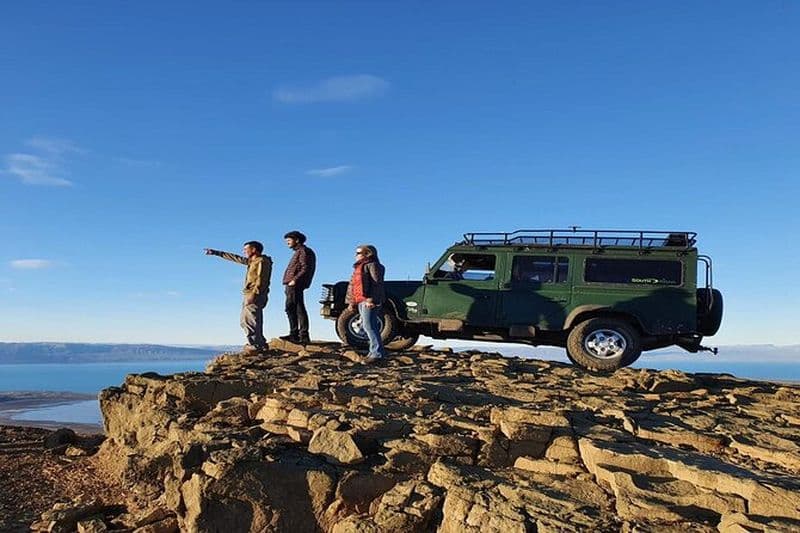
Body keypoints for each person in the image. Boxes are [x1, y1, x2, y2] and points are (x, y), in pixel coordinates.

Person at [204, 241, 272, 353]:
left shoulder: (262, 261)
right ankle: (259, 343)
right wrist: (216, 253)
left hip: (254, 294)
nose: (244, 251)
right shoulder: (253, 261)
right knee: (246, 320)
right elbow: (236, 258)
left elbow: (261, 279)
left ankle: (256, 345)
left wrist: (254, 294)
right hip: (250, 294)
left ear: (254, 249)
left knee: (251, 319)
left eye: (246, 249)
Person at [345, 244, 386, 363]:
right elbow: (353, 286)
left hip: (369, 300)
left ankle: (377, 353)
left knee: (370, 325)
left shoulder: (373, 265)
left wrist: (371, 299)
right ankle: (373, 351)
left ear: (368, 254)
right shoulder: (359, 267)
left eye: (358, 253)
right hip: (361, 300)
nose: (355, 255)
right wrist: (352, 302)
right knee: (366, 325)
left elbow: (376, 283)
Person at [281, 230, 316, 344]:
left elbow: (305, 268)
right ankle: (295, 334)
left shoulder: (303, 251)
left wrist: (294, 280)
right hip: (293, 284)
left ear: (297, 240)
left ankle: (301, 335)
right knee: (293, 308)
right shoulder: (300, 251)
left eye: (289, 240)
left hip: (294, 284)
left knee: (296, 308)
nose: (287, 243)